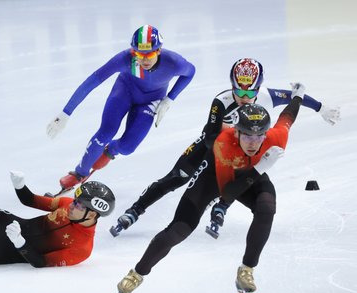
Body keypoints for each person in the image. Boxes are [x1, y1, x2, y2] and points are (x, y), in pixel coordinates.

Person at [114, 83, 314, 293]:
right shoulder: (224, 143)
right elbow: (227, 193)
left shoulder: (274, 138)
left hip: (249, 174)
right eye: (247, 136)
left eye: (259, 137)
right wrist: (260, 168)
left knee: (267, 206)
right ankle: (137, 273)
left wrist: (298, 97)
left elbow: (287, 118)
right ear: (236, 131)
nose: (254, 143)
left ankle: (246, 270)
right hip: (214, 178)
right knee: (178, 230)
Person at [111, 58, 340, 234]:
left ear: (258, 88)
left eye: (249, 92)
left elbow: (294, 96)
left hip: (241, 148)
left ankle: (221, 205)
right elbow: (209, 136)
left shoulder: (269, 96)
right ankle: (135, 209)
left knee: (241, 175)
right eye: (238, 90)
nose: (243, 96)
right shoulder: (222, 101)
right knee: (177, 178)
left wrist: (321, 108)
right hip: (212, 145)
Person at [46, 25, 196, 191]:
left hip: (150, 101)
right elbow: (92, 81)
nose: (145, 60)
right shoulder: (125, 59)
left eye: (150, 54)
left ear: (159, 50)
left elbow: (190, 72)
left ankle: (110, 151)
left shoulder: (174, 63)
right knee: (106, 132)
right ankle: (79, 173)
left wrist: (169, 99)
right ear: (133, 52)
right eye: (139, 54)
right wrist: (66, 113)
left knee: (127, 147)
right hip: (124, 92)